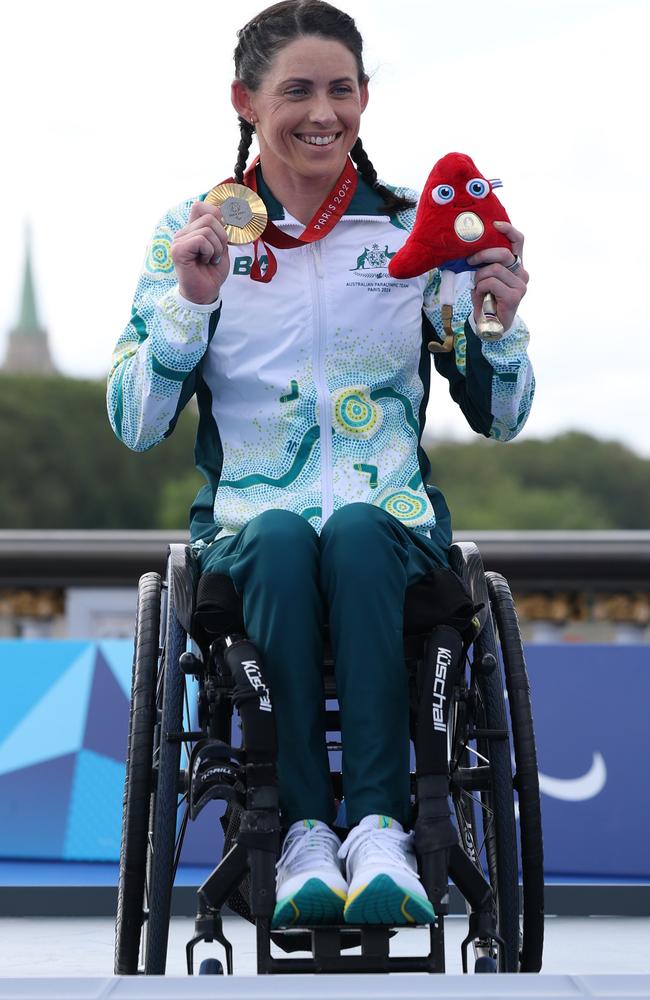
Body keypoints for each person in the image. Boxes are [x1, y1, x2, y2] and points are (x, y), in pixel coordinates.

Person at [107, 0, 533, 930]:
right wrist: (187, 303)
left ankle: (377, 831)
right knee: (287, 537)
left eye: (341, 90)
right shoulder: (193, 234)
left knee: (347, 530)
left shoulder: (412, 233)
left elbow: (501, 418)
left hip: (393, 539)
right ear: (245, 101)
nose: (322, 112)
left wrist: (495, 320)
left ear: (365, 99)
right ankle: (304, 835)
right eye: (296, 90)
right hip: (252, 545)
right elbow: (137, 423)